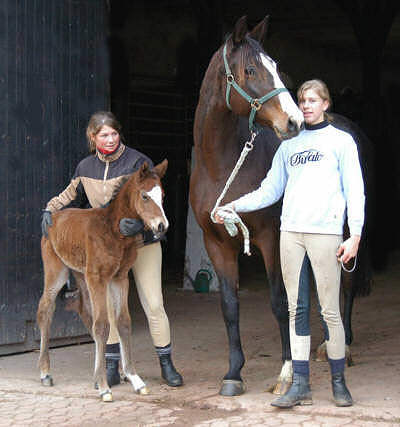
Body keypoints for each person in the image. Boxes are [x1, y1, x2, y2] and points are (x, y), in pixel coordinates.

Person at [215, 79, 365, 408]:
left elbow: (355, 190)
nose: (307, 105)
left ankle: (339, 383)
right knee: (297, 308)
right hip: (292, 234)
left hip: (326, 233)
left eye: (313, 100)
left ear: (326, 104)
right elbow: (270, 190)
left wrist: (354, 234)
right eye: (302, 100)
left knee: (329, 311)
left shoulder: (341, 141)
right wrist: (234, 205)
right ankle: (300, 384)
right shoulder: (289, 147)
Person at [41, 111, 183, 388]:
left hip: (142, 242)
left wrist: (140, 228)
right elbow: (70, 194)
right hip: (106, 245)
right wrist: (49, 208)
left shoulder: (138, 163)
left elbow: (150, 199)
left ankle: (166, 363)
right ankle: (111, 363)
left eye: (114, 134)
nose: (110, 139)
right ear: (93, 138)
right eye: (103, 135)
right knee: (106, 305)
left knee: (153, 304)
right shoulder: (85, 167)